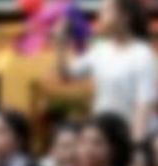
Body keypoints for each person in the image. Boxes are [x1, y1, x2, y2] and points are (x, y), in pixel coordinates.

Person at [56, 0, 158, 142]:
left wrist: (136, 142)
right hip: (105, 134)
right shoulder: (100, 50)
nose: (100, 14)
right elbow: (67, 74)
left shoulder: (142, 54)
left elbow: (144, 103)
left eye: (107, 10)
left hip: (131, 135)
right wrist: (60, 45)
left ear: (125, 17)